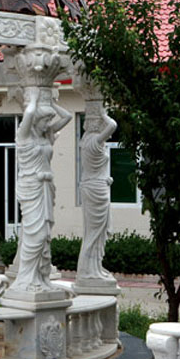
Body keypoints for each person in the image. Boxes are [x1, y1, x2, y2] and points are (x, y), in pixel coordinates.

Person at [11, 87, 71, 292]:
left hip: (45, 188)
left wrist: (51, 103)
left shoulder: (47, 136)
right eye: (44, 120)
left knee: (44, 233)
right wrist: (35, 100)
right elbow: (27, 114)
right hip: (31, 188)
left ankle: (41, 278)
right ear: (36, 119)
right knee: (33, 233)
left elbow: (68, 116)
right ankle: (27, 278)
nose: (48, 124)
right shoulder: (24, 136)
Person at [76, 108, 117, 281]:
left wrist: (105, 178)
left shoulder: (84, 141)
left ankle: (94, 266)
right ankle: (88, 270)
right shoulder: (95, 140)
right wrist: (102, 113)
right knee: (94, 233)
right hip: (97, 190)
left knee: (93, 232)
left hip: (92, 184)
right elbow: (113, 125)